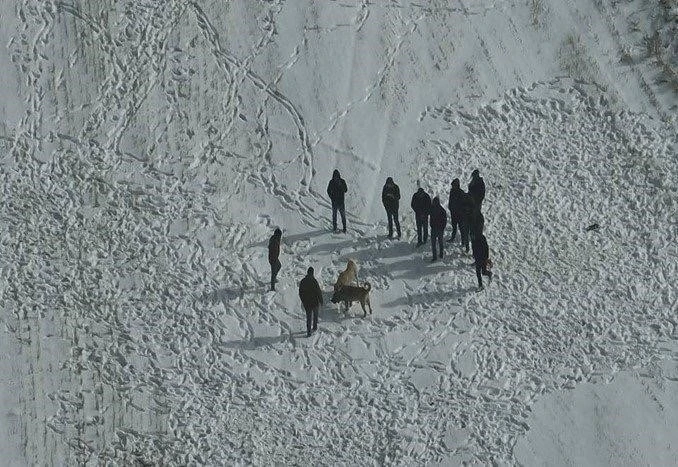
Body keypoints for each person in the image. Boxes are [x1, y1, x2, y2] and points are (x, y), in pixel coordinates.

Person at [299, 267, 323, 337]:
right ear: (312, 273)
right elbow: (318, 292)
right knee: (315, 315)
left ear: (307, 272)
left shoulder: (303, 281)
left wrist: (303, 301)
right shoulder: (314, 281)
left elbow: (300, 293)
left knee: (308, 318)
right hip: (315, 302)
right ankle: (315, 327)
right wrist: (321, 300)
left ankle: (308, 332)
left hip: (307, 303)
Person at [447, 178, 465, 244]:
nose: (452, 187)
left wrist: (461, 211)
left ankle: (463, 241)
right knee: (454, 227)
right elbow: (450, 201)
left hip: (460, 214)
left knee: (461, 228)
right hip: (453, 213)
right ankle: (452, 238)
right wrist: (450, 208)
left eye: (453, 185)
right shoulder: (452, 192)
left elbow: (464, 204)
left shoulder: (461, 193)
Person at [429, 197, 447, 262]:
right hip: (438, 229)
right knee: (440, 242)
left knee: (434, 243)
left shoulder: (433, 209)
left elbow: (444, 221)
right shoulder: (442, 210)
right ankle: (440, 254)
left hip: (435, 228)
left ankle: (435, 257)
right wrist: (442, 228)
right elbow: (445, 221)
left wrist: (432, 225)